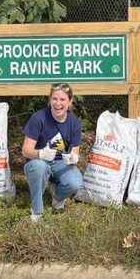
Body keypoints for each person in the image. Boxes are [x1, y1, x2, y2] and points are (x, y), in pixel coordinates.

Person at [21, 83, 83, 222]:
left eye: (62, 100)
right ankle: (36, 211)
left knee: (75, 182)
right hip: (37, 162)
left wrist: (73, 158)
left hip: (60, 162)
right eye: (54, 99)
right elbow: (25, 150)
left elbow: (76, 152)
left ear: (70, 101)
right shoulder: (39, 118)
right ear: (50, 100)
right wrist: (40, 154)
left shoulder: (74, 123)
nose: (58, 103)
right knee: (39, 167)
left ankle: (57, 195)